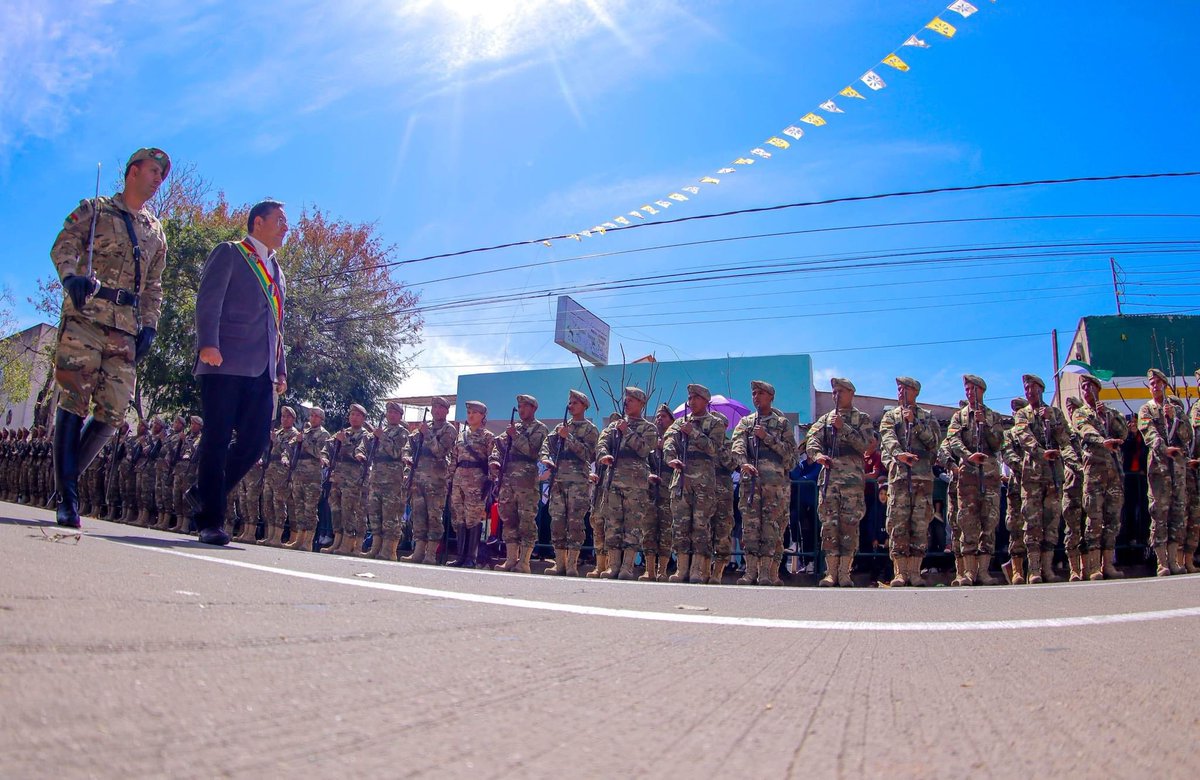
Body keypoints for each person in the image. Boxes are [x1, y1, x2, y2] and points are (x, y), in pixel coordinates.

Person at [49, 147, 169, 528]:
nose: (157, 179)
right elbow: (63, 245)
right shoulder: (95, 209)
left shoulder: (155, 230)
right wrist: (71, 278)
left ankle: (65, 481)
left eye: (161, 175)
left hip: (126, 327)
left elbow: (154, 285)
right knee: (74, 399)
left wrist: (149, 324)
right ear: (133, 172)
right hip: (87, 316)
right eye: (153, 171)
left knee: (114, 412)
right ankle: (68, 495)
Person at [191, 199, 289, 545]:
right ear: (258, 222)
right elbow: (209, 299)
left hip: (262, 369)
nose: (286, 226)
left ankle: (204, 491)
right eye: (280, 220)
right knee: (216, 440)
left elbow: (277, 325)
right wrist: (208, 343)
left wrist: (280, 367)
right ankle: (210, 520)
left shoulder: (278, 272)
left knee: (256, 441)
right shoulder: (230, 253)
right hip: (224, 360)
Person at [1012, 373, 1079, 584]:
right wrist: (1042, 453)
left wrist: (1052, 420)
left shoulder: (1055, 413)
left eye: (1033, 388)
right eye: (1027, 389)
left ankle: (1047, 568)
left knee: (1051, 522)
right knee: (1031, 523)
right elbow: (1024, 438)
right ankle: (1033, 570)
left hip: (1053, 475)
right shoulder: (1022, 415)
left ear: (1041, 389)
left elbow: (1066, 440)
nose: (1029, 392)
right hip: (1032, 476)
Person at [806, 377, 873, 587]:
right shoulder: (825, 419)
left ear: (851, 394)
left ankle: (845, 572)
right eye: (834, 392)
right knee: (829, 525)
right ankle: (831, 572)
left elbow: (865, 445)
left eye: (841, 392)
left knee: (849, 525)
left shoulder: (862, 419)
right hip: (829, 480)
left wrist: (844, 428)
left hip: (852, 481)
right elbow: (812, 440)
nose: (836, 396)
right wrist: (817, 455)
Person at [731, 380, 797, 586]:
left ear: (771, 397)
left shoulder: (782, 424)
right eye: (753, 393)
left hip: (775, 487)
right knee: (750, 529)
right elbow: (737, 447)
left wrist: (767, 438)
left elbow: (791, 458)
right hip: (751, 486)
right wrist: (743, 463)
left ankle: (769, 573)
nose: (756, 397)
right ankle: (750, 571)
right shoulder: (746, 423)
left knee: (772, 529)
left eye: (760, 393)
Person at [878, 376, 942, 587]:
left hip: (922, 477)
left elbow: (934, 443)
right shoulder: (890, 416)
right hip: (899, 477)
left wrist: (914, 423)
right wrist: (898, 455)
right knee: (898, 523)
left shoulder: (927, 416)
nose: (901, 392)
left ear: (915, 392)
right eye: (898, 389)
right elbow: (887, 439)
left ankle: (915, 571)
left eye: (905, 389)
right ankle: (900, 572)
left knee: (920, 523)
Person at [664, 383, 728, 584]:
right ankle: (682, 568)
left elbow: (713, 448)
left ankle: (698, 569)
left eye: (696, 398)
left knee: (700, 525)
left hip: (703, 481)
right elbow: (668, 441)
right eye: (690, 398)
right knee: (681, 525)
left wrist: (693, 432)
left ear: (705, 401)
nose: (691, 402)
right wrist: (671, 457)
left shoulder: (714, 424)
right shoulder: (679, 423)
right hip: (681, 480)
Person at [945, 375, 1005, 586]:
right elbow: (952, 440)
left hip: (988, 474)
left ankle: (984, 571)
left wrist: (985, 425)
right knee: (967, 521)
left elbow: (998, 444)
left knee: (989, 521)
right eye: (967, 389)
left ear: (981, 390)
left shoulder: (993, 416)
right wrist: (967, 455)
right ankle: (969, 571)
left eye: (973, 389)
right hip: (968, 474)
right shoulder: (958, 417)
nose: (969, 392)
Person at [592, 387, 657, 580]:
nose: (627, 403)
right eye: (626, 399)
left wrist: (627, 432)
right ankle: (613, 565)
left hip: (636, 484)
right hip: (613, 481)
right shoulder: (613, 427)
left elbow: (645, 450)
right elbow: (601, 443)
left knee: (632, 525)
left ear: (641, 404)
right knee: (612, 523)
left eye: (632, 400)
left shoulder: (648, 428)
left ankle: (627, 566)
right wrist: (604, 455)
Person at [1072, 373, 1130, 579]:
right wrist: (1102, 439)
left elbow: (1123, 434)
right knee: (1094, 518)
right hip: (1094, 473)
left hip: (1114, 473)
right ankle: (1093, 566)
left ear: (1098, 389)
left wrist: (1109, 416)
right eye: (1084, 388)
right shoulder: (1080, 413)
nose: (1086, 391)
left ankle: (1108, 564)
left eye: (1090, 387)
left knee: (1113, 519)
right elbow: (1084, 430)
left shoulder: (1111, 412)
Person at [1137, 368, 1192, 576]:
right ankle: (1162, 562)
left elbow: (1187, 435)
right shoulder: (1146, 410)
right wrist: (1163, 448)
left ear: (1164, 385)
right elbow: (1148, 434)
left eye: (1158, 383)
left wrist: (1176, 420)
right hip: (1159, 468)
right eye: (1151, 383)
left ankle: (1175, 559)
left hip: (1177, 469)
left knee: (1178, 512)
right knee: (1159, 513)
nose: (1155, 386)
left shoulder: (1176, 409)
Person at [539, 390, 599, 576]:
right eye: (570, 403)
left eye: (575, 403)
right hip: (558, 481)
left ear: (584, 406)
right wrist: (545, 458)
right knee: (557, 521)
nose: (570, 406)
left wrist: (569, 438)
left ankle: (572, 563)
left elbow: (587, 454)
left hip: (578, 482)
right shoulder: (560, 427)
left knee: (575, 523)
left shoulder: (591, 429)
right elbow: (545, 445)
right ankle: (560, 563)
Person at [490, 395, 548, 573]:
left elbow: (533, 452)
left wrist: (515, 436)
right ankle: (510, 559)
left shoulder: (540, 429)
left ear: (533, 408)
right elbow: (497, 446)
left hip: (527, 481)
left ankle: (524, 562)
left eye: (525, 406)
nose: (521, 409)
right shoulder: (512, 429)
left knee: (526, 520)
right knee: (508, 519)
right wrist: (494, 460)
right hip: (507, 479)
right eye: (519, 406)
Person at [400, 396, 456, 565]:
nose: (437, 410)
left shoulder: (449, 429)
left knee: (434, 516)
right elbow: (409, 446)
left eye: (441, 407)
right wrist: (407, 456)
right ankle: (418, 551)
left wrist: (428, 434)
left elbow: (440, 451)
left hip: (436, 481)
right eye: (435, 407)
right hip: (418, 479)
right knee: (418, 515)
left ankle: (431, 553)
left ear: (447, 411)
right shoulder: (424, 428)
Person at [447, 401, 495, 567]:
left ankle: (471, 558)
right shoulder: (461, 436)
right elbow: (454, 459)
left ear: (482, 416)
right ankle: (460, 556)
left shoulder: (488, 436)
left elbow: (492, 461)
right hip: (459, 480)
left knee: (473, 518)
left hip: (476, 481)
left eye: (475, 412)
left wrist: (489, 483)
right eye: (469, 412)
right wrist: (450, 479)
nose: (471, 415)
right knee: (459, 517)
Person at [322, 403, 371, 555]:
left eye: (357, 415)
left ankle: (351, 543)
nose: (354, 418)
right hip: (338, 477)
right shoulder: (343, 433)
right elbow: (327, 448)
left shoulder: (366, 436)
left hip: (355, 479)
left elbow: (360, 454)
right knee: (336, 509)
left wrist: (345, 442)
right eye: (351, 415)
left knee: (351, 510)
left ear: (363, 418)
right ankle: (337, 540)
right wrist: (324, 457)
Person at [363, 401, 410, 560]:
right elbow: (368, 450)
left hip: (392, 478)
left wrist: (381, 436)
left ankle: (389, 550)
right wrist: (372, 438)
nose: (391, 415)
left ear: (400, 415)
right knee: (375, 512)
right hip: (376, 476)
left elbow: (397, 452)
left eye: (395, 413)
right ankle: (375, 546)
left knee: (390, 514)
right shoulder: (380, 431)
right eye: (389, 412)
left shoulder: (402, 433)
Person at [642, 403, 677, 581]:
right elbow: (643, 461)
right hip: (650, 491)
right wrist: (648, 474)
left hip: (669, 490)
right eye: (657, 416)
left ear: (671, 420)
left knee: (666, 530)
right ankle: (649, 569)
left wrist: (666, 450)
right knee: (648, 529)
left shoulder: (678, 438)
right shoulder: (650, 439)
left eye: (663, 416)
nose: (659, 419)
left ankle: (662, 569)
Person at [1000, 399, 1028, 584]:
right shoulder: (1008, 435)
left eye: (1019, 410)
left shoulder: (1035, 431)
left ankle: (1037, 569)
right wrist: (1026, 467)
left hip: (1036, 485)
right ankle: (1016, 569)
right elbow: (1007, 454)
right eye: (1014, 411)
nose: (1016, 414)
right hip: (1016, 485)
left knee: (1036, 528)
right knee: (1016, 528)